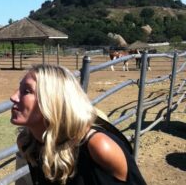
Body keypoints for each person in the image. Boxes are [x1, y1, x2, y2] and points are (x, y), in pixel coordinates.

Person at [10, 64, 146, 184]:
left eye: (26, 91)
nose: (13, 97)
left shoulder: (98, 147)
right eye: (19, 89)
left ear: (53, 100)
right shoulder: (28, 142)